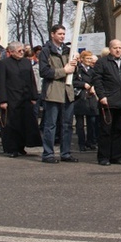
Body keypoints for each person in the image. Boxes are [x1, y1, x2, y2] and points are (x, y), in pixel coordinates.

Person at [38, 24, 78, 164]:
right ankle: (48, 153)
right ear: (52, 34)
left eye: (63, 34)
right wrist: (63, 71)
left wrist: (74, 65)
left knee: (67, 125)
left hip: (67, 91)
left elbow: (73, 72)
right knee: (51, 124)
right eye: (60, 34)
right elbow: (44, 72)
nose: (62, 36)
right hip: (52, 91)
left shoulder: (69, 50)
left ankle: (65, 152)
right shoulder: (45, 51)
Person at [92, 39, 121, 166]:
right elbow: (98, 80)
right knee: (106, 131)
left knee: (120, 130)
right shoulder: (102, 62)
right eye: (115, 48)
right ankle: (104, 157)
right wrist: (101, 96)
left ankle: (117, 156)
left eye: (120, 48)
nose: (118, 50)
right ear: (110, 49)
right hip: (108, 102)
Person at [0, 42, 42, 157]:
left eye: (23, 50)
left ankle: (22, 146)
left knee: (25, 124)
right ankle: (12, 148)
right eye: (19, 51)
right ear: (11, 52)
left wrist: (34, 96)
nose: (22, 52)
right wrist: (3, 101)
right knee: (12, 125)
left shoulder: (26, 62)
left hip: (25, 98)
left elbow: (32, 80)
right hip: (11, 99)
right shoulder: (4, 63)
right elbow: (0, 83)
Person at [73, 50, 98, 153]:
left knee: (92, 122)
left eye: (90, 58)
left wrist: (93, 87)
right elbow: (73, 81)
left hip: (90, 98)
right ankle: (81, 143)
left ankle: (91, 141)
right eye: (87, 58)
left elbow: (96, 80)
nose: (89, 60)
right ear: (82, 59)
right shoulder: (77, 70)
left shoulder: (92, 70)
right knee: (80, 123)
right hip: (80, 98)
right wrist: (83, 84)